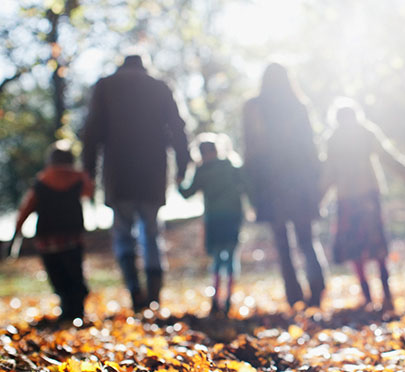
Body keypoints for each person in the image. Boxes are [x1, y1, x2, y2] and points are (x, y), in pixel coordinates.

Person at [82, 54, 190, 312]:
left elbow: (92, 130)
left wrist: (88, 172)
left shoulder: (106, 86)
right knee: (152, 234)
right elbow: (178, 127)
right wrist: (183, 165)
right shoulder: (160, 87)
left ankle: (135, 291)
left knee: (122, 233)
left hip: (118, 175)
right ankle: (154, 295)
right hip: (152, 174)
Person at [243, 63, 326, 307]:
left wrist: (251, 185)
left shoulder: (254, 107)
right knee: (307, 238)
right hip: (299, 180)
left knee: (283, 242)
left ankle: (294, 296)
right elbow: (311, 147)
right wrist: (316, 180)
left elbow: (250, 147)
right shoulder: (298, 106)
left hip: (270, 181)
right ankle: (316, 288)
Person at [321, 100, 405, 310]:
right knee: (375, 245)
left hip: (350, 198)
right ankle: (383, 294)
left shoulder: (337, 138)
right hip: (365, 195)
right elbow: (387, 157)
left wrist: (318, 198)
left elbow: (328, 174)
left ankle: (371, 295)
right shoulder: (362, 133)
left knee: (358, 248)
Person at [14, 141, 94, 322]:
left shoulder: (41, 181)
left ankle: (67, 308)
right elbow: (89, 193)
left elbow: (26, 208)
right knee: (75, 274)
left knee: (58, 276)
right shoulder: (78, 178)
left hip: (47, 239)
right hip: (72, 237)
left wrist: (17, 232)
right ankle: (77, 309)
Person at [178, 135, 245, 316]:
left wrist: (179, 181)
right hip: (233, 216)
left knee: (217, 257)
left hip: (214, 219)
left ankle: (216, 299)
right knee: (230, 256)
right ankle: (228, 298)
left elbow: (186, 193)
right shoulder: (231, 166)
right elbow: (245, 183)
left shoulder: (202, 171)